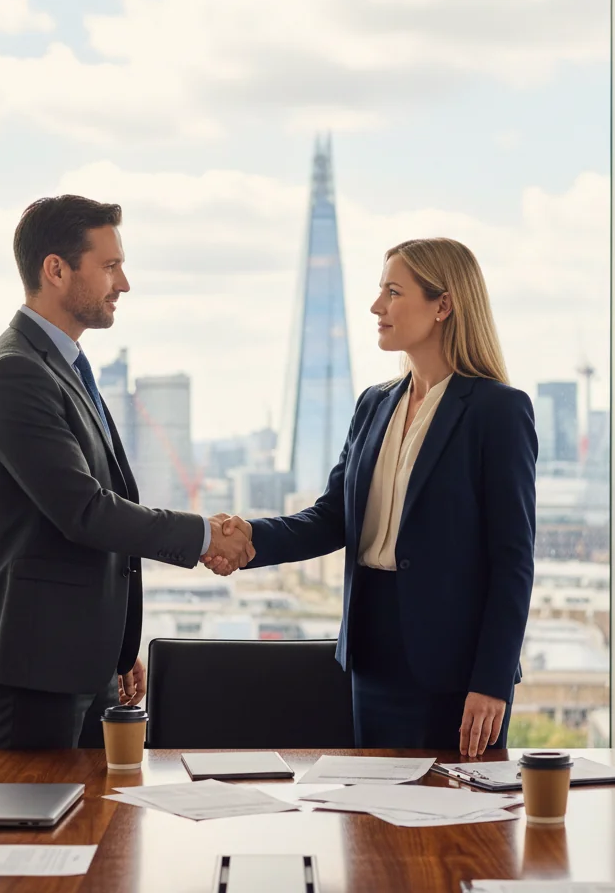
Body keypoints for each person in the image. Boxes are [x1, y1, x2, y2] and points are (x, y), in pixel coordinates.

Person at [204, 237, 536, 757]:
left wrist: (492, 680)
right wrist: (251, 538)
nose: (376, 306)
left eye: (393, 292)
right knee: (372, 823)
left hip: (456, 670)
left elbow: (512, 560)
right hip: (371, 657)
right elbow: (333, 516)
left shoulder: (498, 411)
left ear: (443, 305)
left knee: (458, 826)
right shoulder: (375, 403)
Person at [0, 194, 253, 750]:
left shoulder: (61, 367)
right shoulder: (14, 373)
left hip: (77, 659)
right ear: (56, 270)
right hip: (32, 665)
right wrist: (207, 534)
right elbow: (85, 510)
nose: (124, 283)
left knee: (101, 825)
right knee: (36, 830)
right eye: (110, 265)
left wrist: (115, 647)